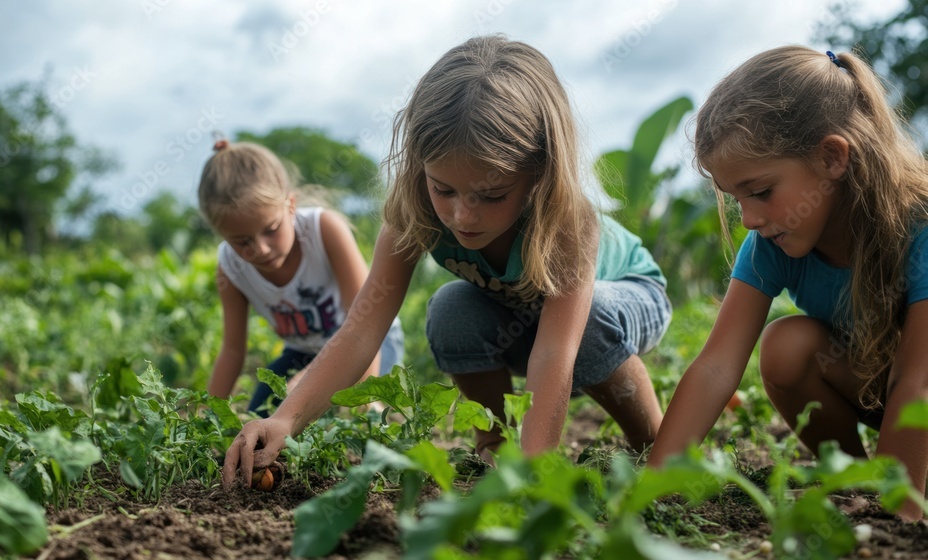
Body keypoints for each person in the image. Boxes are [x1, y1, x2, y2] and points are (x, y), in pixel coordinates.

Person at [222, 34, 672, 486]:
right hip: (522, 322)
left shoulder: (567, 223)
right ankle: (494, 448)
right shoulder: (413, 212)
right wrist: (285, 419)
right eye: (444, 189)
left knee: (590, 322)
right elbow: (362, 329)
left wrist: (535, 475)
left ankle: (653, 444)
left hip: (623, 304)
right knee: (451, 309)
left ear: (539, 173)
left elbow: (556, 351)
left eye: (491, 195)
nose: (462, 216)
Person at [647, 46, 928, 522]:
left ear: (832, 158)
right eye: (736, 199)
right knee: (786, 347)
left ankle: (894, 496)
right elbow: (715, 366)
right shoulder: (772, 243)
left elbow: (917, 380)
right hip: (883, 390)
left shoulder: (918, 226)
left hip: (918, 387)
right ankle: (854, 479)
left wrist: (899, 512)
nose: (749, 219)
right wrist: (651, 490)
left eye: (760, 192)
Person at [198, 139, 405, 417]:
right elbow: (233, 351)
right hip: (302, 353)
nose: (260, 249)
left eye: (271, 229)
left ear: (291, 205)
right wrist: (207, 417)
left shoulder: (325, 230)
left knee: (330, 414)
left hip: (371, 342)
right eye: (242, 241)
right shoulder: (230, 267)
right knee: (261, 416)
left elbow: (363, 325)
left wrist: (361, 401)